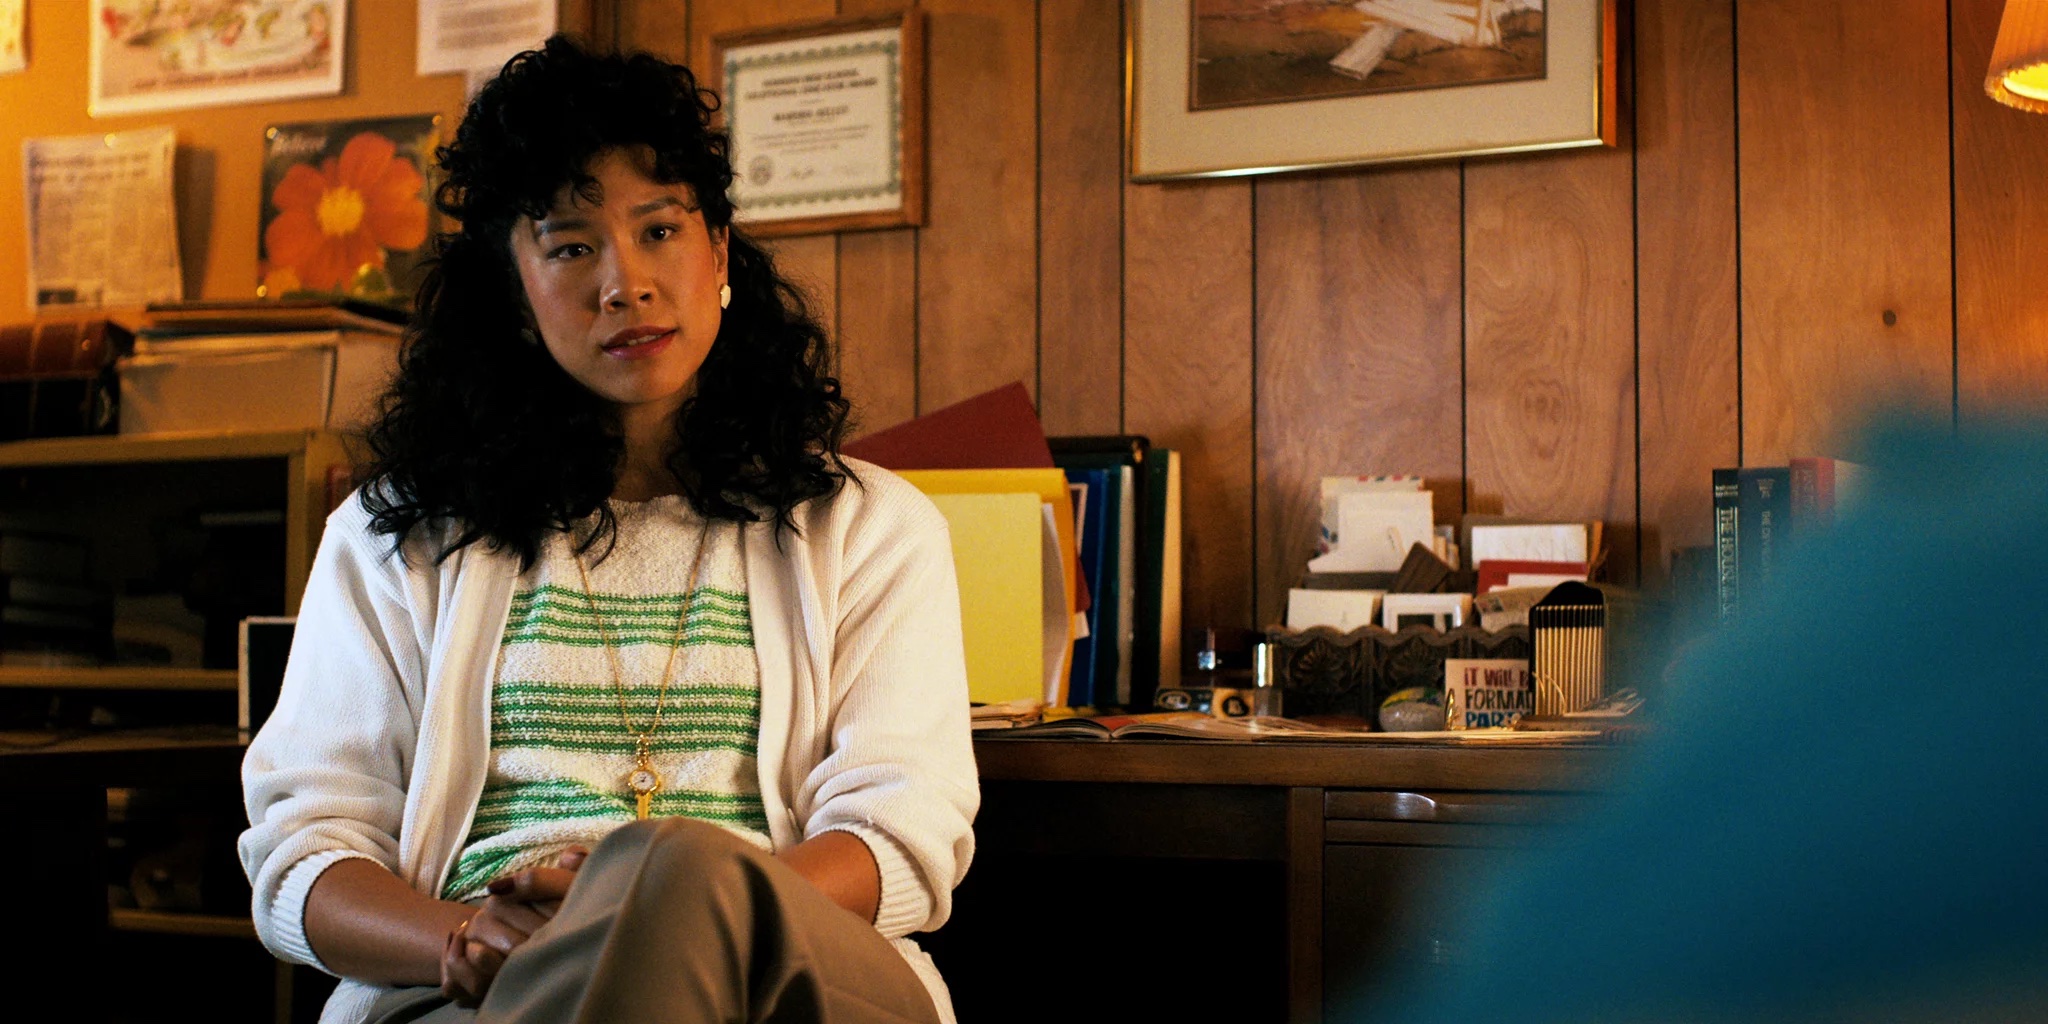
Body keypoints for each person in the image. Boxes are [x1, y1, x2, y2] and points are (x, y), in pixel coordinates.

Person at [239, 35, 977, 1024]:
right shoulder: (394, 537)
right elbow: (304, 856)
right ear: (515, 293)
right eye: (570, 244)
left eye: (659, 230)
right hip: (487, 990)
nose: (624, 282)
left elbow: (902, 840)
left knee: (670, 877)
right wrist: (460, 936)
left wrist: (656, 901)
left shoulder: (872, 529)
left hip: (797, 981)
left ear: (719, 249)